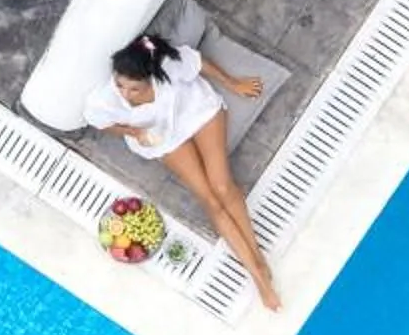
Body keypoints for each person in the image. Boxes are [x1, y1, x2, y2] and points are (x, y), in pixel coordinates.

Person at [84, 31, 280, 310]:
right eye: (120, 85)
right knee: (209, 198)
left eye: (134, 89)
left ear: (151, 77)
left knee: (222, 186)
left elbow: (200, 63)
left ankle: (257, 257)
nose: (125, 94)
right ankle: (258, 276)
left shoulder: (168, 64)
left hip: (197, 113)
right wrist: (135, 132)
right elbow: (101, 122)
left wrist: (234, 84)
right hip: (164, 136)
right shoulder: (105, 99)